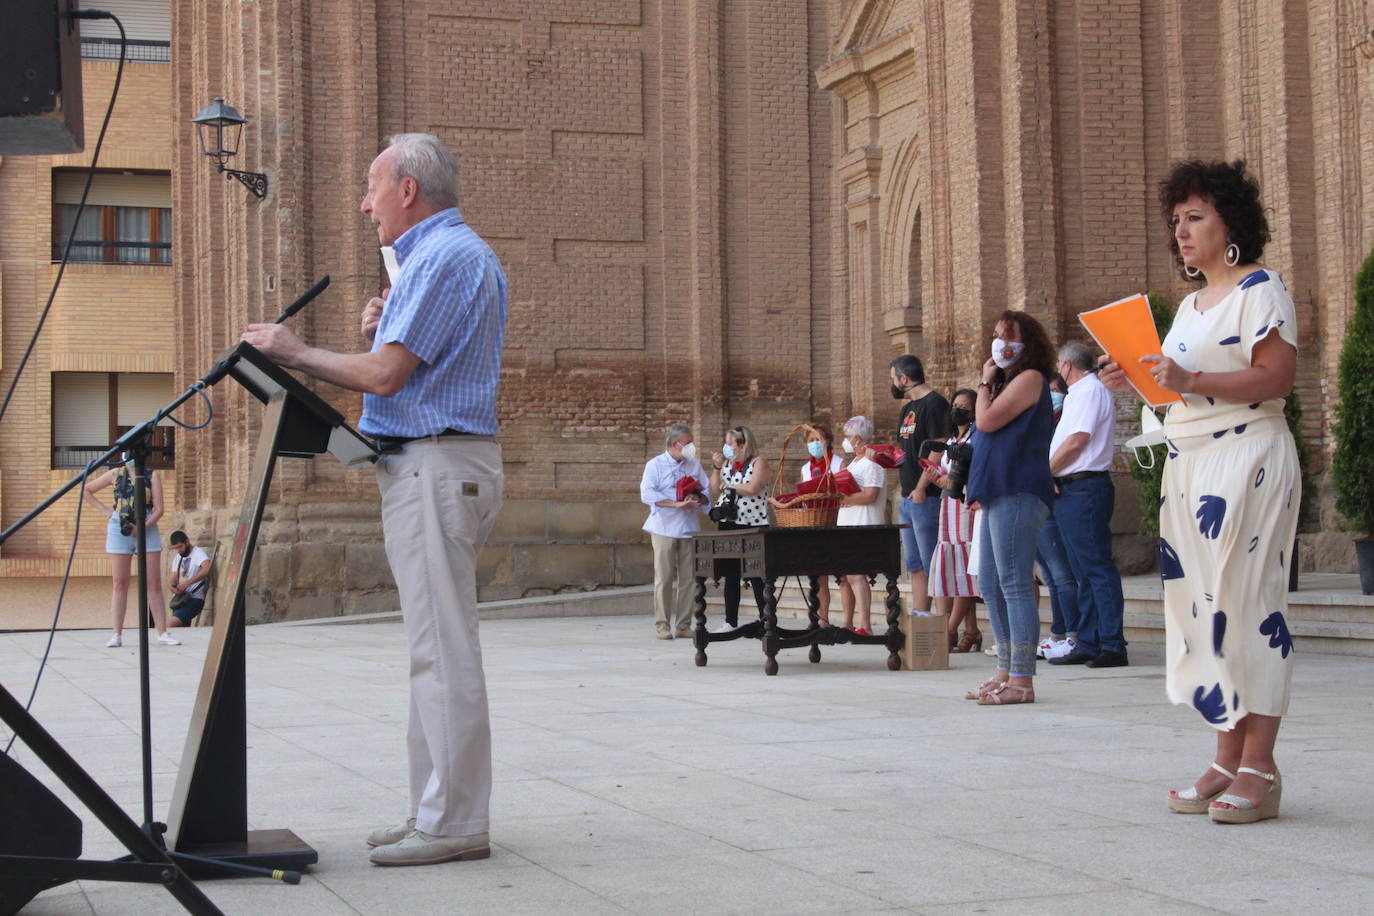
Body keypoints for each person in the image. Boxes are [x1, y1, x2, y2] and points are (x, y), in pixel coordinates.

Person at [242, 133, 506, 865]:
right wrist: (381, 328)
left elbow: (387, 378)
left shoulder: (446, 255)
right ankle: (435, 810)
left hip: (435, 463)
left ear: (409, 190)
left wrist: (295, 352)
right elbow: (409, 363)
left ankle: (453, 823)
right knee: (432, 649)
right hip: (434, 463)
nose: (365, 204)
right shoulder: (445, 257)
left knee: (441, 651)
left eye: (372, 187)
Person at [1100, 159, 1298, 823]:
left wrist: (1187, 377)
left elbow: (1275, 378)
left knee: (1249, 607)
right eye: (1175, 221)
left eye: (1194, 217)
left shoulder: (1260, 290)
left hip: (1249, 459)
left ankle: (1260, 767)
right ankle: (1224, 756)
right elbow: (1181, 389)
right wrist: (1143, 380)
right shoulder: (1188, 306)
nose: (1181, 232)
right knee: (1204, 615)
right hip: (1190, 463)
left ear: (1230, 223)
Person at [963, 311, 1056, 705]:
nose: (1000, 344)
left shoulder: (1030, 379)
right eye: (996, 335)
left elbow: (985, 422)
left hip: (1018, 489)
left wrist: (984, 381)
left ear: (1027, 342)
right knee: (989, 581)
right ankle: (1004, 669)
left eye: (1008, 337)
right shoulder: (1009, 384)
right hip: (997, 491)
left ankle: (1022, 678)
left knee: (1016, 583)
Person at [1046, 340, 1128, 668]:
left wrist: (1044, 471)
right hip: (1070, 489)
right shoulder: (1077, 394)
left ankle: (1111, 643)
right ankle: (1090, 639)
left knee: (1096, 568)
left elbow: (1077, 441)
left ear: (1066, 366)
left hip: (1085, 487)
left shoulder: (1091, 390)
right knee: (1082, 570)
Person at [83, 460, 179, 647]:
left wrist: (143, 526)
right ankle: (116, 634)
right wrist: (108, 512)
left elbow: (159, 509)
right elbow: (86, 490)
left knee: (153, 582)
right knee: (120, 582)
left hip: (147, 526)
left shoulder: (151, 475)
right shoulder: (115, 474)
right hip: (120, 527)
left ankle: (162, 632)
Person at [891, 356, 951, 615]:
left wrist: (922, 487)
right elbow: (905, 449)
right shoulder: (907, 409)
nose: (892, 384)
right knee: (914, 564)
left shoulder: (935, 403)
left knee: (933, 563)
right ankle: (921, 618)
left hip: (926, 495)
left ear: (904, 379)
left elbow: (937, 448)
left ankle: (944, 625)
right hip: (906, 496)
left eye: (893, 378)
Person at [924, 388, 982, 652]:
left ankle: (950, 629)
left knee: (966, 569)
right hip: (948, 504)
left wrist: (957, 478)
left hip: (966, 503)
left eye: (964, 406)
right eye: (955, 404)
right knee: (955, 569)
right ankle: (971, 631)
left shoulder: (978, 436)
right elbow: (946, 471)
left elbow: (980, 469)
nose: (958, 409)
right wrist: (937, 477)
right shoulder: (950, 439)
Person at [640, 423, 709, 639]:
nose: (691, 447)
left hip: (688, 527)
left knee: (689, 578)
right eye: (687, 443)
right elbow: (647, 494)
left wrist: (698, 497)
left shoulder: (694, 465)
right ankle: (662, 625)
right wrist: (674, 504)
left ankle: (684, 624)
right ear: (674, 444)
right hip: (663, 526)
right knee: (664, 577)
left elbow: (706, 490)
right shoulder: (655, 465)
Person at [1036, 373, 1081, 660]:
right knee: (1050, 575)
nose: (1051, 395)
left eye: (1055, 390)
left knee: (1062, 572)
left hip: (1052, 497)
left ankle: (1073, 634)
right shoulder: (1039, 422)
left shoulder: (1064, 421)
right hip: (1035, 498)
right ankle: (1058, 632)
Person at [708, 426, 771, 631]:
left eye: (730, 443)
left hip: (752, 522)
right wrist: (717, 468)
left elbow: (753, 487)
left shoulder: (758, 462)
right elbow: (714, 488)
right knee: (730, 571)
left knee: (756, 573)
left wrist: (729, 487)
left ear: (742, 445)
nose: (726, 447)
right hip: (728, 521)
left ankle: (766, 619)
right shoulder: (727, 464)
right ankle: (730, 621)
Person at [836, 416, 886, 634]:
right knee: (846, 576)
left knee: (857, 574)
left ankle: (865, 624)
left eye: (847, 437)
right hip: (847, 522)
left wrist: (844, 498)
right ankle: (847, 622)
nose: (845, 441)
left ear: (856, 438)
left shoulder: (872, 463)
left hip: (864, 522)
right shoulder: (854, 463)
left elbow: (870, 495)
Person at [800, 423, 846, 626]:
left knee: (843, 575)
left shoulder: (838, 463)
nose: (815, 444)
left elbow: (845, 491)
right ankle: (823, 619)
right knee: (820, 578)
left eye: (818, 440)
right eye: (811, 440)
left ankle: (849, 620)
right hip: (815, 522)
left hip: (836, 521)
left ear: (827, 441)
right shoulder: (805, 468)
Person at [166, 530, 211, 627]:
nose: (179, 550)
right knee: (181, 630)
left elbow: (207, 568)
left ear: (187, 542)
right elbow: (173, 577)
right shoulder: (178, 557)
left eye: (180, 546)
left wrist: (188, 583)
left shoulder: (198, 553)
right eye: (176, 548)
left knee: (170, 624)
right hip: (180, 599)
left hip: (194, 598)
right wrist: (172, 587)